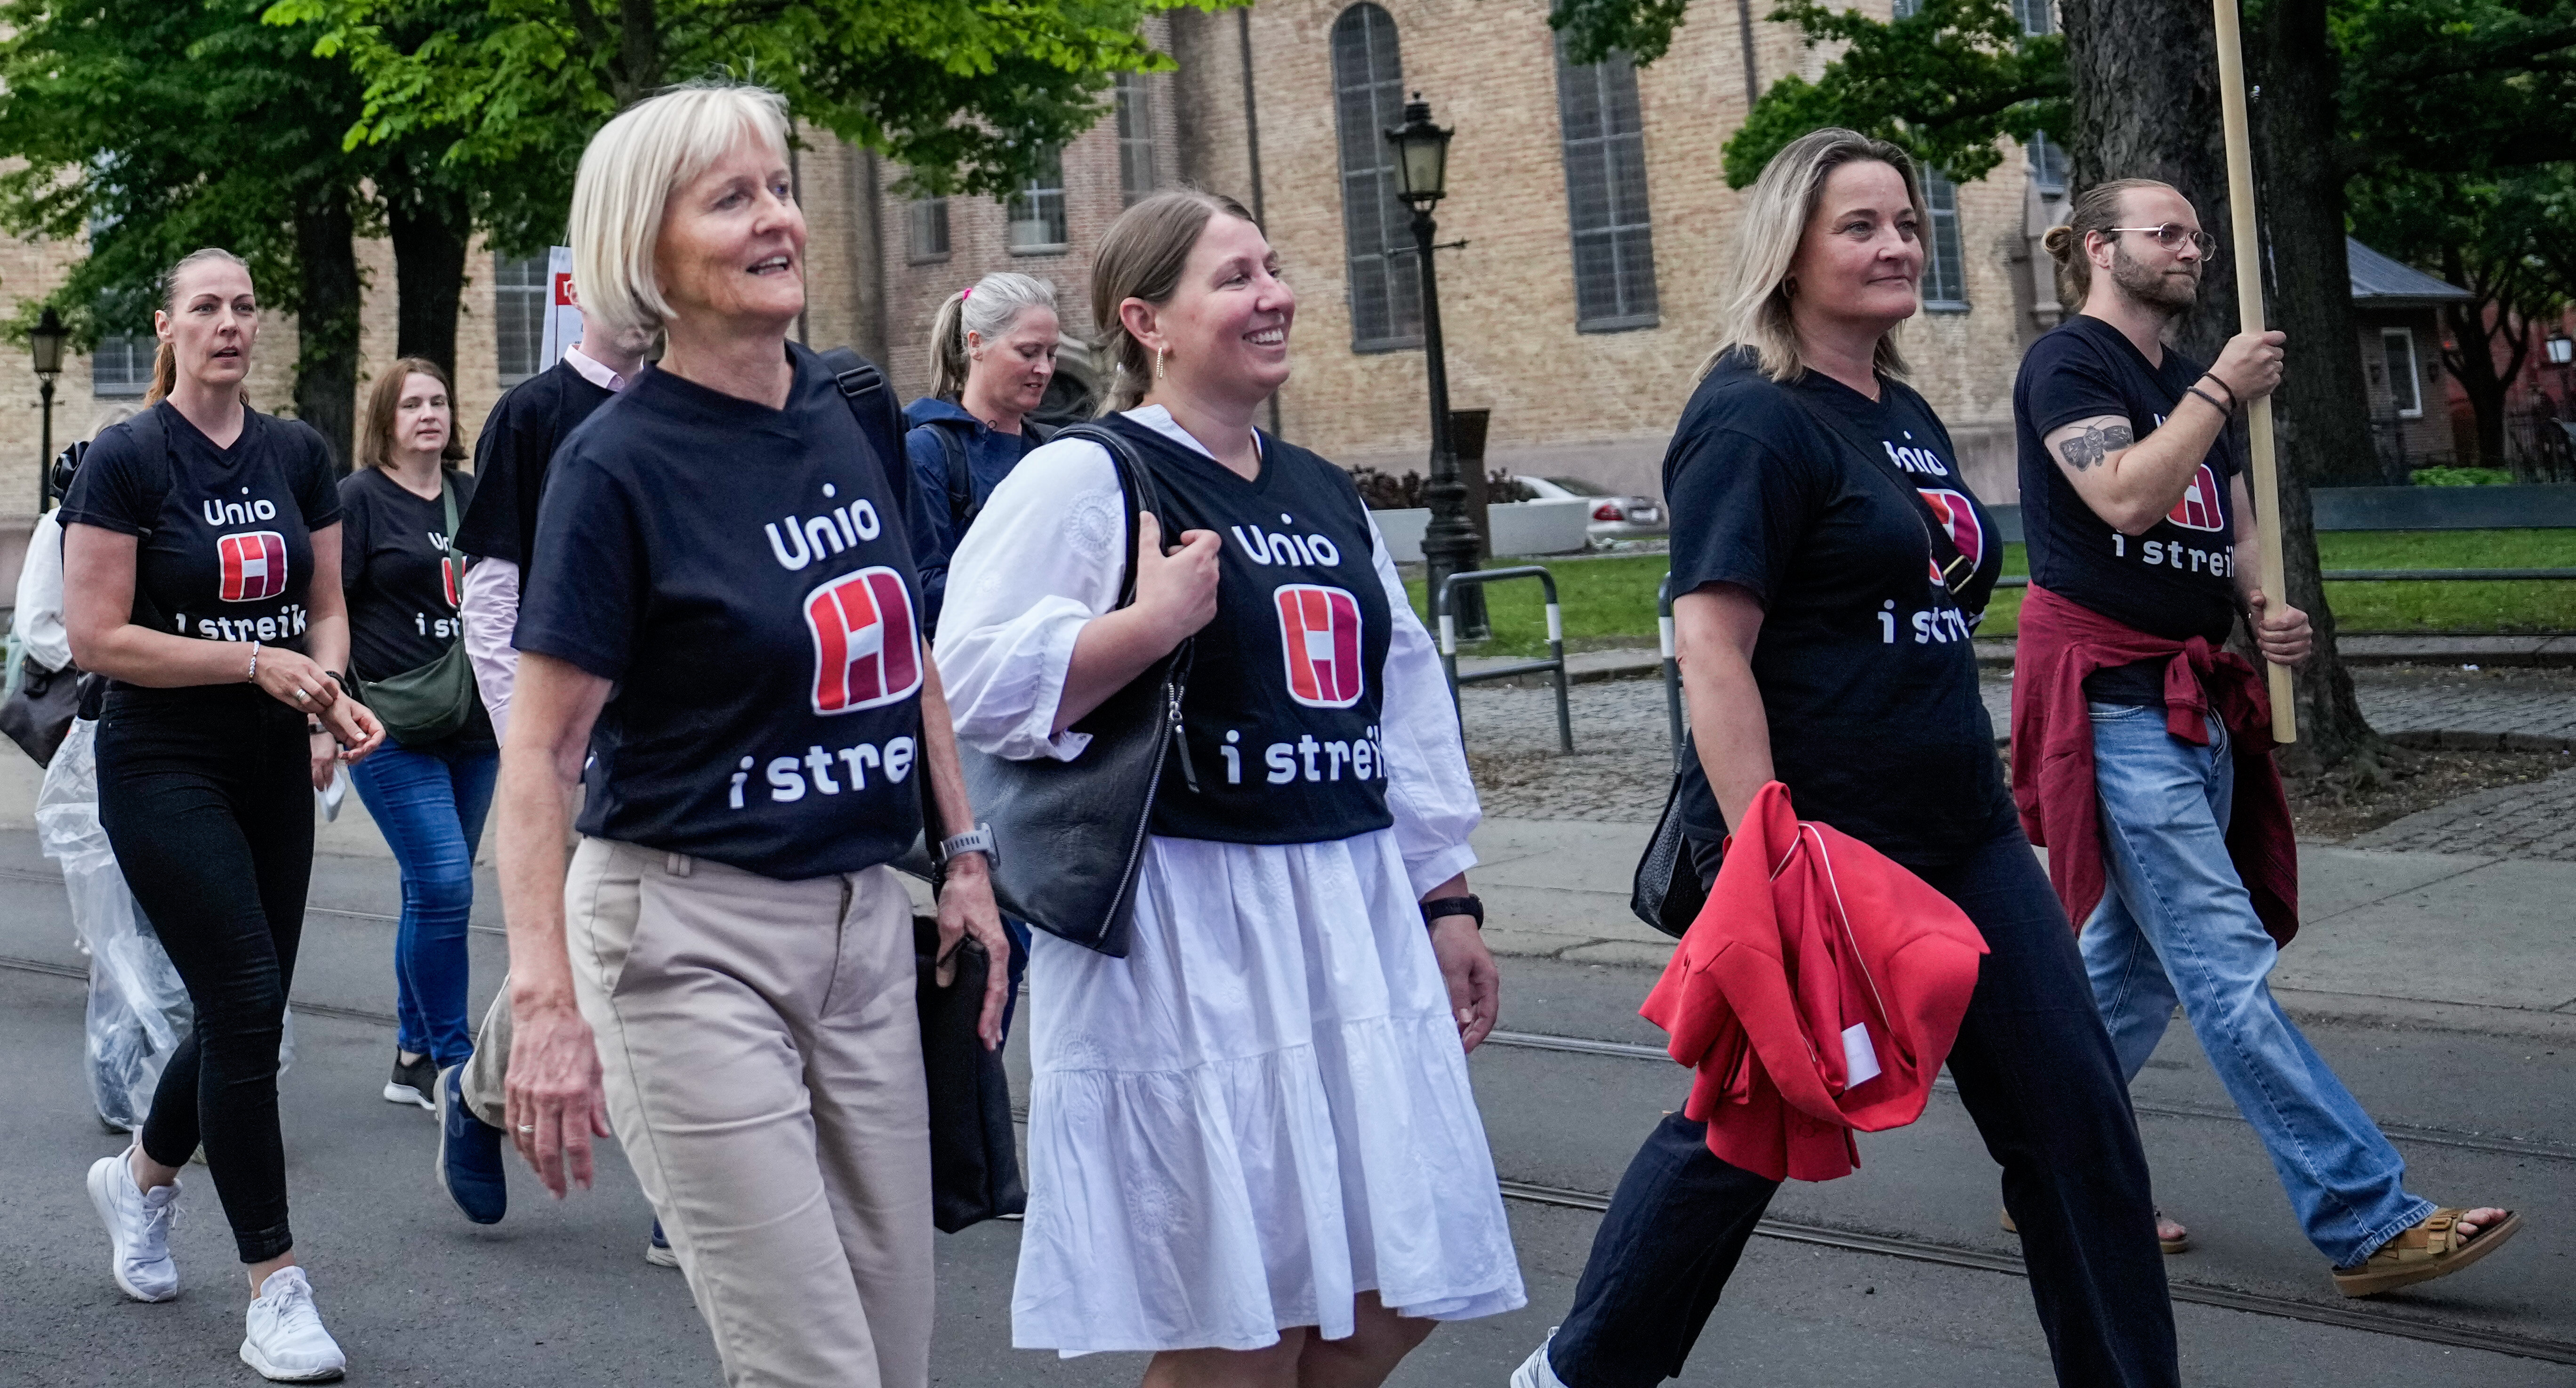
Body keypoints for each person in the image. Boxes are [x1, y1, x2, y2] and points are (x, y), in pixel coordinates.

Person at [1516, 131, 2179, 1388]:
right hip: (1825, 840)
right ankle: (1580, 1373)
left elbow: (1924, 603)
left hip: (1965, 833)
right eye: (1861, 226)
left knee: (2077, 1124)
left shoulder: (1906, 412)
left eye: (1908, 224)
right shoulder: (1753, 417)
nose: (1897, 248)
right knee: (1748, 1129)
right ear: (1791, 249)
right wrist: (1764, 844)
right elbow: (1710, 649)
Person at [935, 189, 1516, 1378]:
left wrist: (1445, 896)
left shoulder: (1320, 489)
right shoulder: (1092, 476)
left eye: (1273, 265)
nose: (1274, 293)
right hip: (1192, 926)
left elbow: (1399, 703)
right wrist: (1145, 627)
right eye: (1235, 276)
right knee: (1238, 1324)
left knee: (1376, 1297)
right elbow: (968, 680)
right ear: (1146, 317)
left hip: (1344, 911)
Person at [494, 84, 1012, 1388]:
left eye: (779, 185)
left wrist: (965, 856)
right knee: (814, 1371)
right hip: (686, 941)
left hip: (858, 933)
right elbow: (543, 756)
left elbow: (905, 653)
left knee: (894, 1359)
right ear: (644, 249)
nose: (778, 216)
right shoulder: (616, 467)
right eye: (732, 198)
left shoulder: (841, 414)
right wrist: (548, 1004)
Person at [2013, 179, 2521, 1301]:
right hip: (2113, 702)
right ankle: (2366, 1215)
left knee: (2134, 973)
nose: (2190, 247)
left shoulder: (2176, 379)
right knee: (2220, 964)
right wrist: (2217, 387)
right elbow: (2124, 496)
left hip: (2190, 695)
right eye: (2166, 232)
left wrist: (2261, 600)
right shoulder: (2074, 364)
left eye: (2197, 232)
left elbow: (2228, 521)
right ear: (2099, 246)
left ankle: (2048, 1161)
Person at [64, 247, 388, 1383]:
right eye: (206, 304)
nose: (230, 321)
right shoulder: (126, 454)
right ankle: (276, 1285)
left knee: (241, 1008)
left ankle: (141, 1180)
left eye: (246, 303)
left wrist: (326, 698)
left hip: (271, 757)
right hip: (160, 757)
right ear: (168, 322)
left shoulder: (296, 450)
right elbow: (95, 635)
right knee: (248, 999)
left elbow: (330, 606)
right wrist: (254, 659)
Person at [435, 296, 652, 1225]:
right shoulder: (534, 414)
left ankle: (683, 1190)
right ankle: (481, 1096)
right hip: (569, 733)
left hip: (677, 731)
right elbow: (491, 600)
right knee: (599, 940)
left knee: (672, 941)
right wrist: (527, 747)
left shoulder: (688, 404)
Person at [336, 356, 498, 1112]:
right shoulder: (359, 501)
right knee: (444, 883)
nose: (429, 415)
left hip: (475, 727)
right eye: (412, 406)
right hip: (389, 727)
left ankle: (409, 1054)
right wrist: (323, 712)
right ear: (385, 422)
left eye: (438, 402)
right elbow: (324, 610)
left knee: (432, 891)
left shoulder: (474, 496)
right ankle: (452, 1061)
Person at [903, 272, 1067, 621]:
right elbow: (922, 588)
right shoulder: (927, 451)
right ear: (976, 344)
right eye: (1028, 352)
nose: (1044, 369)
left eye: (1052, 354)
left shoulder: (1056, 448)